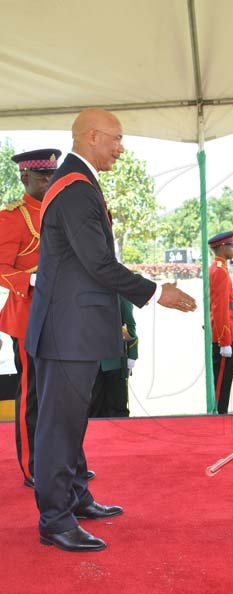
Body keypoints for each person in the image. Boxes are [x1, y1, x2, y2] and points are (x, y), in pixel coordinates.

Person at [25, 107, 197, 553]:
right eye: (117, 139)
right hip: (67, 331)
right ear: (93, 137)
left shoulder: (74, 182)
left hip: (70, 328)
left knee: (72, 421)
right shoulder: (77, 190)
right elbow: (98, 264)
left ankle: (76, 497)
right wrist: (159, 292)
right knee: (58, 428)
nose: (122, 148)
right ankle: (55, 519)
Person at [0, 149, 61, 488]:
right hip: (28, 315)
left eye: (53, 175)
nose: (50, 182)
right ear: (24, 178)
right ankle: (32, 466)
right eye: (42, 177)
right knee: (32, 394)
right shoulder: (12, 216)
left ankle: (62, 461)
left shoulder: (61, 208)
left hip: (62, 315)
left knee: (60, 394)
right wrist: (33, 279)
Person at [208, 231, 233, 414]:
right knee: (221, 386)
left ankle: (220, 416)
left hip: (228, 332)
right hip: (226, 336)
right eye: (231, 245)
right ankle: (218, 419)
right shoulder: (219, 271)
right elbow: (219, 308)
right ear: (221, 247)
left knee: (224, 383)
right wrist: (225, 341)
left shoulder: (221, 268)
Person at [90, 295, 137, 418]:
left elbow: (130, 327)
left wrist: (132, 355)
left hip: (114, 360)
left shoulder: (120, 294)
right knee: (92, 409)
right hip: (88, 362)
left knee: (117, 408)